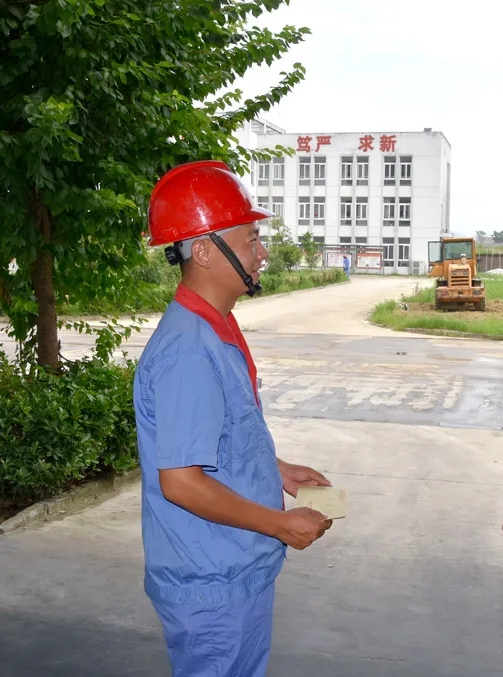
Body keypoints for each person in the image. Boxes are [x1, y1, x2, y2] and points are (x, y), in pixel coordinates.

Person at [134, 160, 334, 676]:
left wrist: (276, 469)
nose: (262, 253)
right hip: (212, 584)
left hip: (232, 570)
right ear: (204, 252)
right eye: (251, 240)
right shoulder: (188, 350)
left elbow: (220, 436)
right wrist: (280, 524)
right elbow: (181, 482)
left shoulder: (214, 326)